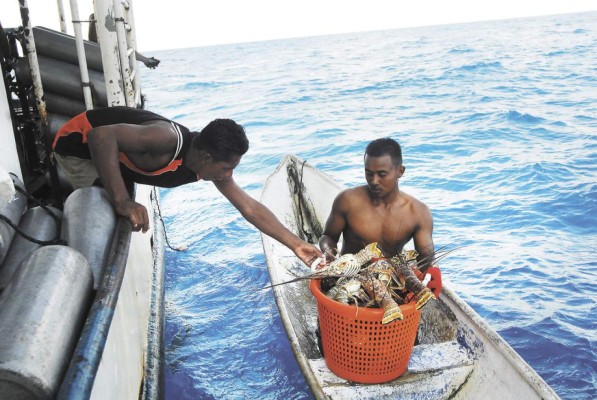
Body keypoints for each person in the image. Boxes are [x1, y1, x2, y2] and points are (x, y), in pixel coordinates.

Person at [52, 106, 324, 268]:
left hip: (121, 157)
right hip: (77, 148)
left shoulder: (208, 164)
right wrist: (122, 201)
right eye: (226, 168)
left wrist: (296, 244)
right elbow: (100, 135)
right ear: (206, 157)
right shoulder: (165, 139)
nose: (228, 175)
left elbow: (249, 207)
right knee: (104, 212)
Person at [319, 137, 435, 276]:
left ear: (400, 171)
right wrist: (329, 254)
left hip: (391, 281)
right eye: (369, 173)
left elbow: (426, 260)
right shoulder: (347, 200)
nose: (374, 181)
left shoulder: (418, 213)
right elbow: (328, 236)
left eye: (382, 174)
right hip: (348, 276)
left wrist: (425, 278)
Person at [88, 14, 160, 69]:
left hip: (102, 53)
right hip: (100, 58)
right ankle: (145, 59)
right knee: (94, 17)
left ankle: (145, 59)